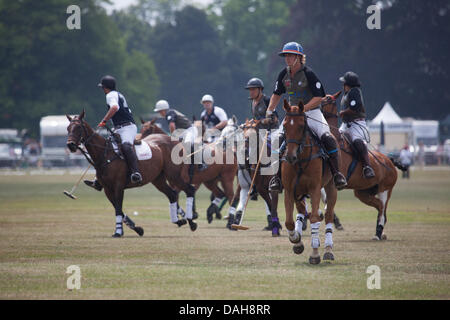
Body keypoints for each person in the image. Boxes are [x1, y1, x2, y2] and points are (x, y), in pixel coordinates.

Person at [265, 41, 347, 190]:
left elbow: (319, 98)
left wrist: (303, 109)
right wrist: (269, 111)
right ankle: (276, 178)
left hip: (312, 112)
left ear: (299, 57)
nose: (287, 58)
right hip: (292, 115)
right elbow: (277, 94)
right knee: (277, 141)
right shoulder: (284, 74)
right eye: (286, 56)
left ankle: (337, 174)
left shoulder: (308, 74)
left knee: (327, 137)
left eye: (290, 55)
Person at [84, 75, 142, 191]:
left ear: (105, 88)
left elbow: (114, 107)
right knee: (105, 149)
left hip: (127, 127)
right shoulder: (117, 94)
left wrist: (104, 120)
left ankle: (136, 173)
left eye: (102, 88)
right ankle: (98, 180)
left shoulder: (110, 95)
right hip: (119, 127)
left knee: (126, 146)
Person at [338, 71, 375, 179]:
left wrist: (342, 113)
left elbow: (355, 108)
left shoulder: (354, 91)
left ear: (348, 84)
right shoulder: (347, 93)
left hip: (357, 123)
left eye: (344, 83)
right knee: (334, 138)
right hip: (346, 124)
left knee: (357, 141)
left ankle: (367, 167)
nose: (343, 85)